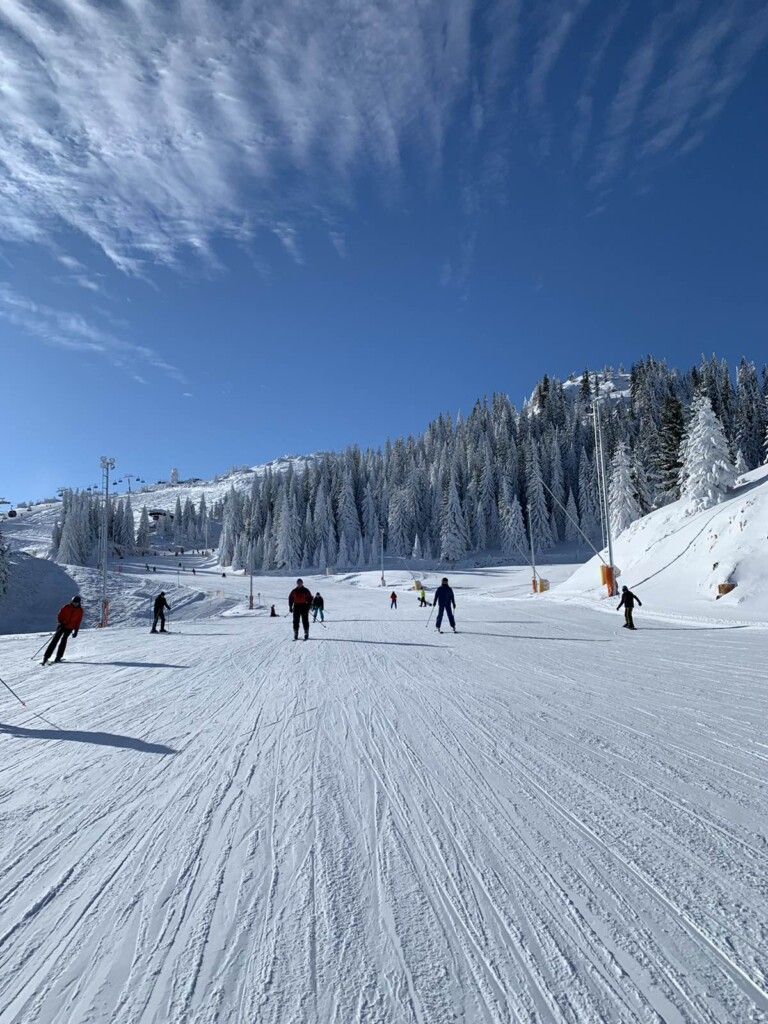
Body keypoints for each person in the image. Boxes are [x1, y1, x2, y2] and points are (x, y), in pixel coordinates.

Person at [42, 596, 83, 665]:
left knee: (64, 640)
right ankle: (46, 657)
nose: (75, 604)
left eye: (77, 603)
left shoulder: (80, 610)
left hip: (70, 627)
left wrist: (76, 631)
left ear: (79, 603)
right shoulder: (66, 607)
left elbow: (78, 621)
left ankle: (58, 657)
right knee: (55, 640)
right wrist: (61, 622)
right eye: (74, 602)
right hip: (62, 626)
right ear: (72, 601)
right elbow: (59, 615)